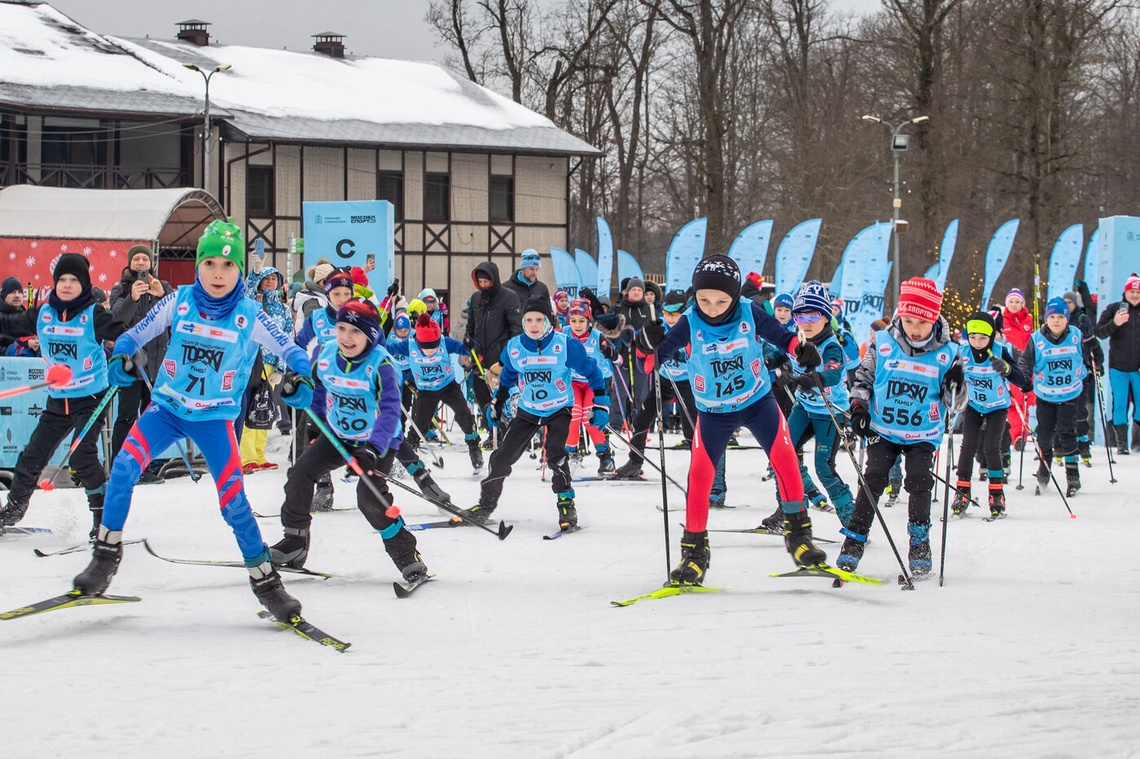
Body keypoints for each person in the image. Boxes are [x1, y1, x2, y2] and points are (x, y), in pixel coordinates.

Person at [70, 220, 318, 621]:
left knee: (234, 504)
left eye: (227, 265)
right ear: (197, 266)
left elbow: (292, 349)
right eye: (209, 264)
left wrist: (302, 376)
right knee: (124, 468)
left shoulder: (249, 313)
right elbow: (134, 335)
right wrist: (121, 356)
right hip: (166, 409)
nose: (217, 274)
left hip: (215, 419)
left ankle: (267, 584)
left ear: (240, 270)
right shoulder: (180, 300)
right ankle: (105, 557)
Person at [636, 256, 826, 584]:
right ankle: (695, 553)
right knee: (700, 476)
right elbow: (649, 366)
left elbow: (783, 338)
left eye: (721, 300)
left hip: (757, 402)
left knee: (785, 457)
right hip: (713, 413)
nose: (711, 306)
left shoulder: (749, 312)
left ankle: (799, 537)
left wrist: (801, 350)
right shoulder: (690, 322)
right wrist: (645, 344)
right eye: (703, 299)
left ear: (735, 296)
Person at [269, 299, 428, 584]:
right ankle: (294, 542)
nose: (346, 337)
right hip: (337, 435)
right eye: (341, 328)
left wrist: (373, 448)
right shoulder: (326, 354)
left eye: (355, 332)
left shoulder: (382, 365)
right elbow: (317, 389)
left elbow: (391, 410)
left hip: (374, 442)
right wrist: (312, 421)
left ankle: (407, 556)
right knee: (299, 475)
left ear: (370, 335)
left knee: (370, 500)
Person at [839, 277, 961, 576]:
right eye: (908, 320)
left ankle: (919, 541)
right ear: (899, 316)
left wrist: (956, 383)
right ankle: (855, 539)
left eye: (922, 322)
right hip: (884, 427)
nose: (915, 328)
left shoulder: (949, 352)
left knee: (919, 480)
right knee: (874, 477)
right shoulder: (882, 343)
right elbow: (863, 380)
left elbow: (956, 404)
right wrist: (858, 408)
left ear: (934, 319)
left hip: (923, 432)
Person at [0, 254, 127, 538]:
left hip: (90, 398)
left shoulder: (93, 315)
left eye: (74, 280)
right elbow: (9, 326)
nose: (67, 285)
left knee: (82, 456)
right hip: (59, 399)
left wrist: (129, 354)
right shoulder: (43, 313)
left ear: (83, 285)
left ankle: (102, 517)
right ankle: (14, 507)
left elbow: (121, 334)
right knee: (33, 455)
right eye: (62, 280)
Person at [461, 297, 609, 531]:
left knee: (556, 454)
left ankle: (566, 503)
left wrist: (601, 404)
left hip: (560, 408)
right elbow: (507, 377)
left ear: (548, 320)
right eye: (528, 320)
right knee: (501, 458)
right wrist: (497, 405)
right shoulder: (515, 346)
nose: (533, 325)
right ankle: (485, 505)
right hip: (528, 410)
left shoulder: (565, 345)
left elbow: (593, 372)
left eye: (539, 319)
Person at [759, 281, 855, 530]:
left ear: (825, 317)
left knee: (823, 467)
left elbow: (833, 373)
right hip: (804, 409)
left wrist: (804, 379)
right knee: (782, 454)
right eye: (800, 316)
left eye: (814, 315)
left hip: (830, 412)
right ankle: (789, 509)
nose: (807, 321)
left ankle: (853, 520)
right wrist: (767, 363)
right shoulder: (796, 338)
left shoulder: (831, 346)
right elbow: (780, 355)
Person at [612, 289, 697, 478]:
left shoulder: (691, 327)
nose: (671, 318)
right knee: (642, 418)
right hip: (665, 380)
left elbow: (696, 356)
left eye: (675, 314)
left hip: (688, 383)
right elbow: (644, 368)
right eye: (667, 313)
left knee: (690, 426)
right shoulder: (657, 327)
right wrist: (644, 347)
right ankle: (635, 461)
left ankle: (699, 467)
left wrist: (673, 351)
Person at [952, 312, 1027, 519]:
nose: (977, 342)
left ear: (991, 337)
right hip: (974, 405)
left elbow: (1022, 381)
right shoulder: (962, 351)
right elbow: (950, 374)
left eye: (983, 338)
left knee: (991, 446)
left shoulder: (1001, 350)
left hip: (997, 406)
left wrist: (1007, 369)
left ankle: (996, 493)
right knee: (968, 445)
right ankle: (962, 491)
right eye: (973, 337)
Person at [388, 314, 483, 472]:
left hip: (448, 387)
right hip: (426, 391)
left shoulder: (445, 342)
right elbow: (388, 348)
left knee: (464, 415)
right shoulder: (409, 345)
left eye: (433, 346)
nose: (430, 351)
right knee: (419, 425)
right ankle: (407, 458)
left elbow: (465, 348)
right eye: (425, 347)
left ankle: (474, 448)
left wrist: (470, 344)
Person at [108, 244, 174, 468]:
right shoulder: (121, 290)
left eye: (144, 260)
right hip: (132, 366)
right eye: (136, 259)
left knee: (152, 417)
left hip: (158, 365)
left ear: (151, 263)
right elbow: (116, 320)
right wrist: (132, 298)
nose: (141, 263)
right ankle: (121, 463)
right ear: (129, 263)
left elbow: (181, 314)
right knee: (126, 416)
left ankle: (150, 463)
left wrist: (163, 294)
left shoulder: (162, 286)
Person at [1021, 297, 1087, 496]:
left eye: (1060, 316)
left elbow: (1089, 353)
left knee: (1067, 432)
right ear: (1046, 319)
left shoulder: (1076, 335)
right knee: (1044, 434)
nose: (1056, 321)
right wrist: (1025, 378)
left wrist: (1095, 367)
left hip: (1070, 392)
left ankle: (1072, 474)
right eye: (1052, 317)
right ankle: (1044, 466)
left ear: (1067, 319)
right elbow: (1025, 361)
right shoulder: (1036, 339)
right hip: (1046, 394)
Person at [563, 298, 619, 475]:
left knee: (590, 415)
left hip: (593, 382)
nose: (577, 325)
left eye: (581, 321)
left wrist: (613, 354)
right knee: (573, 415)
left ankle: (605, 456)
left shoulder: (597, 337)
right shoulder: (563, 334)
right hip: (572, 381)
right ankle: (570, 454)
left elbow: (619, 360)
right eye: (573, 321)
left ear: (589, 321)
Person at [464, 262, 522, 431]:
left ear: (494, 280)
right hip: (479, 358)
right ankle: (493, 430)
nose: (483, 286)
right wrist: (468, 344)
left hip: (500, 358)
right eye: (480, 282)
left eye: (486, 282)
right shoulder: (476, 298)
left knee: (502, 396)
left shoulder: (509, 297)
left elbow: (516, 329)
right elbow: (471, 326)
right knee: (482, 396)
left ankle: (510, 429)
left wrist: (507, 355)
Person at [1094, 273, 1140, 455]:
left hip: (1138, 368)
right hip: (1118, 367)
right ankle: (1122, 444)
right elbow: (1099, 332)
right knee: (1120, 404)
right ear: (1125, 292)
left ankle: (1137, 442)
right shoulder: (1114, 309)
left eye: (1138, 292)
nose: (1135, 295)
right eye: (1132, 291)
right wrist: (1114, 323)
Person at [1062, 290, 1103, 464]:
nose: (1067, 306)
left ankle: (1083, 443)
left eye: (1069, 303)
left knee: (1081, 410)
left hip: (1081, 371)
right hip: (1063, 375)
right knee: (1063, 411)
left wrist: (1098, 363)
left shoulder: (1081, 319)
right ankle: (1061, 444)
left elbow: (1093, 342)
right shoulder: (1057, 320)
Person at [1002, 288, 1036, 451]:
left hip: (1028, 367)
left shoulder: (1030, 321)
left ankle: (1022, 433)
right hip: (1011, 366)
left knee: (1024, 402)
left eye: (1017, 302)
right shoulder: (1003, 322)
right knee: (1014, 404)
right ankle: (1016, 436)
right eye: (1011, 302)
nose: (1014, 305)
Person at [0, 276, 26, 352]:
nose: (17, 295)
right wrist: (15, 352)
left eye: (19, 292)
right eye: (12, 292)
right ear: (4, 295)